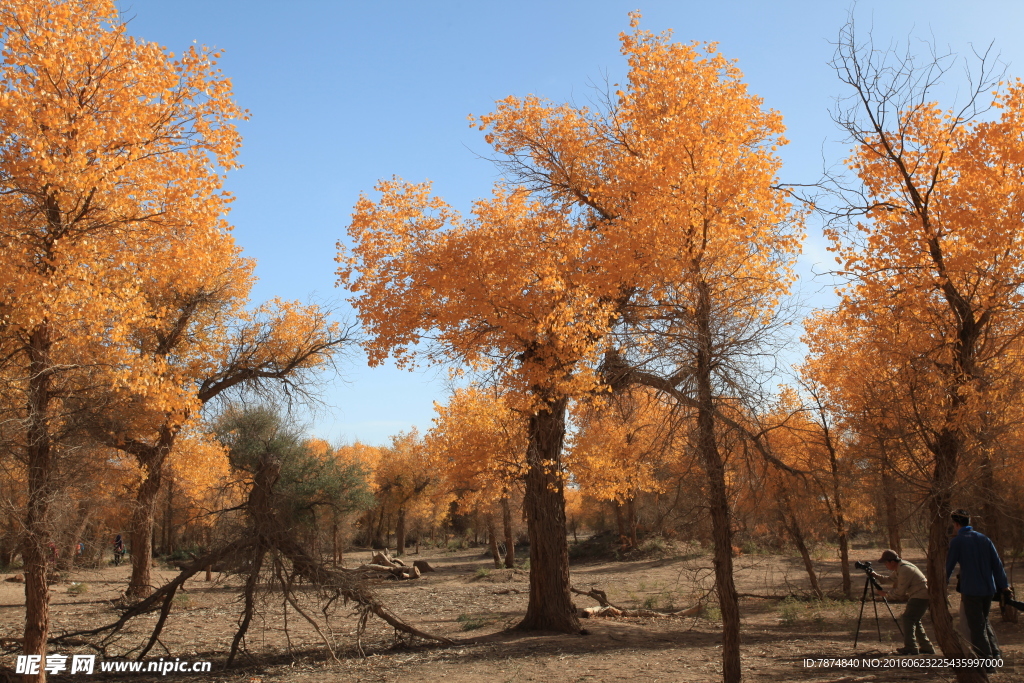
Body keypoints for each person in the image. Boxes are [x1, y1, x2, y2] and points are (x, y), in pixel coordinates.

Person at [945, 509, 1007, 663]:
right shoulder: (984, 539)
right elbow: (997, 565)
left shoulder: (957, 541)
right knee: (984, 621)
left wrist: (942, 582)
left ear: (957, 524)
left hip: (971, 589)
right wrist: (1004, 586)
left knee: (977, 627)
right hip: (989, 588)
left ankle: (986, 662)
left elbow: (949, 566)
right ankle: (995, 653)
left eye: (954, 524)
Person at [873, 549, 934, 655]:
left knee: (908, 618)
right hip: (919, 595)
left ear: (892, 562)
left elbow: (899, 593)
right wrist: (874, 575)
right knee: (914, 620)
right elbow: (889, 579)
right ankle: (926, 647)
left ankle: (911, 647)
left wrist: (886, 594)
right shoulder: (901, 567)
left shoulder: (904, 569)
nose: (885, 566)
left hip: (920, 596)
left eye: (886, 563)